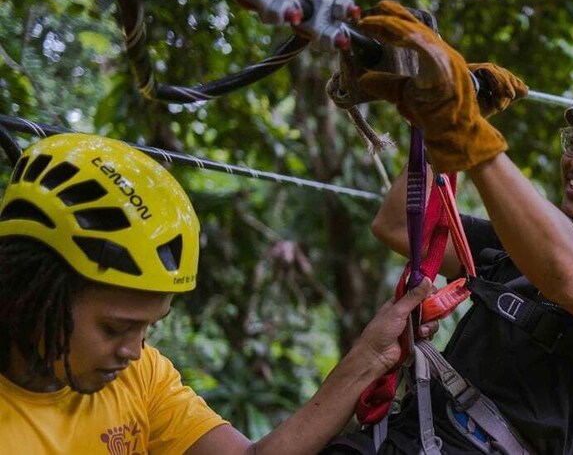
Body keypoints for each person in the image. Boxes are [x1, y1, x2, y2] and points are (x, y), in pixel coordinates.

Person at [348, 0, 573, 454]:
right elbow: (396, 225)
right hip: (405, 437)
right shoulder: (516, 244)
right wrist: (442, 126)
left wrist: (467, 130)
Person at [0, 133, 437, 454]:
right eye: (115, 327)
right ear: (32, 295)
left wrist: (373, 355)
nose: (134, 351)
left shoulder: (140, 376)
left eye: (149, 328)